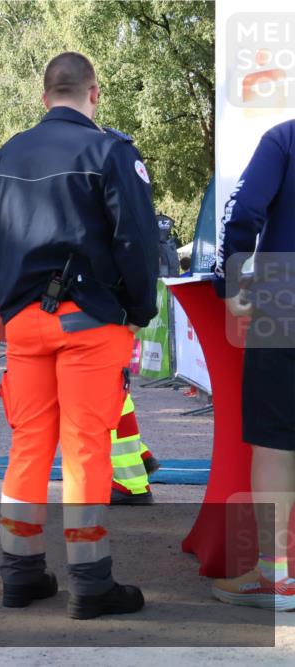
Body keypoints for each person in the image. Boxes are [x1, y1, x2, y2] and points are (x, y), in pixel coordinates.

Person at [0, 52, 157, 619]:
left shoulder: (2, 159)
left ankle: (21, 574)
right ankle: (90, 582)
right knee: (86, 449)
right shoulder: (111, 152)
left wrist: (16, 304)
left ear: (43, 96)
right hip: (90, 321)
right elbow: (136, 241)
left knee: (28, 445)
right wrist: (137, 309)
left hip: (25, 324)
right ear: (94, 93)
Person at [211, 119, 295, 611]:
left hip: (285, 292)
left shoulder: (283, 139)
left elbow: (241, 211)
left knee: (276, 438)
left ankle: (275, 575)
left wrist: (231, 285)